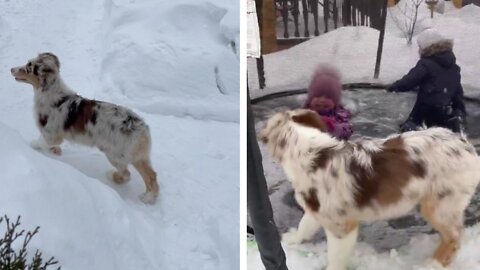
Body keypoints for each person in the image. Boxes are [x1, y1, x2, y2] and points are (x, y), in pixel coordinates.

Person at [387, 28, 466, 133]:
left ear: (427, 47)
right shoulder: (454, 68)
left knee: (407, 134)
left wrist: (394, 87)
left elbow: (409, 81)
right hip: (444, 112)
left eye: (419, 47)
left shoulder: (426, 64)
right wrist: (459, 112)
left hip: (425, 111)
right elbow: (458, 94)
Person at [304, 64, 353, 140]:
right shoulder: (303, 112)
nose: (322, 100)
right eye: (318, 95)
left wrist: (330, 125)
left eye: (328, 97)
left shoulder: (340, 114)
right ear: (311, 98)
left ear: (335, 101)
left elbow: (346, 130)